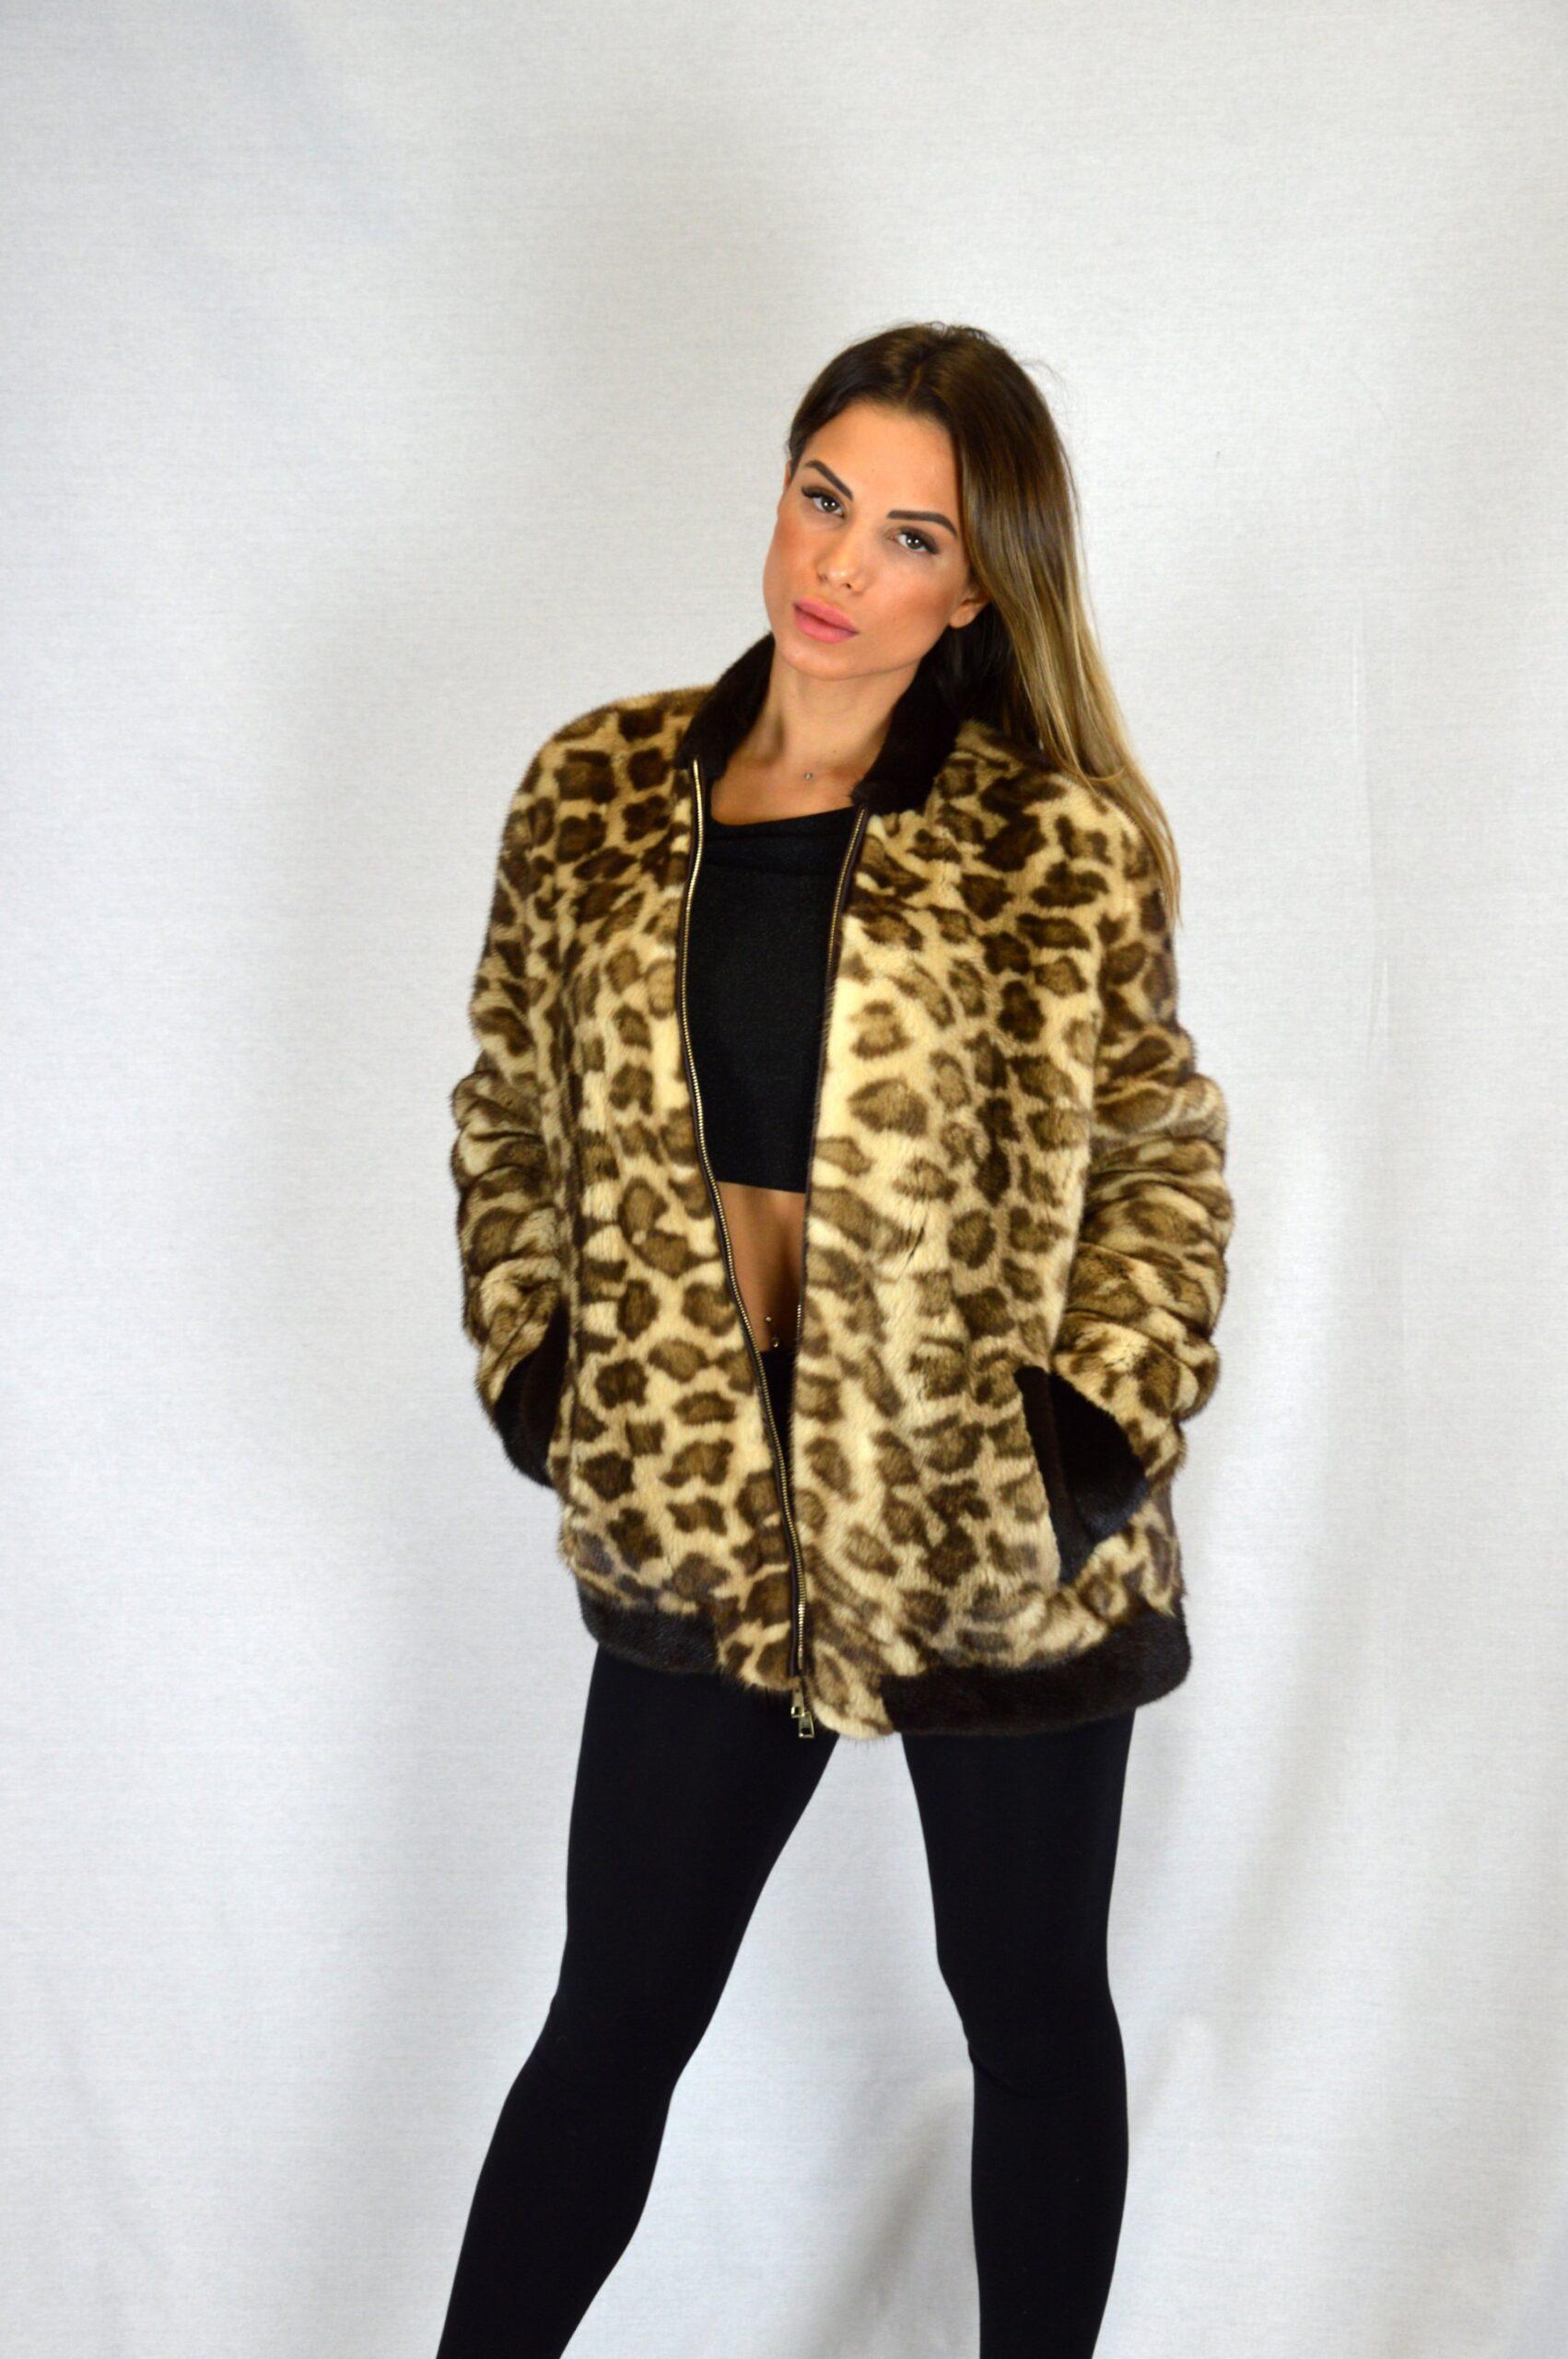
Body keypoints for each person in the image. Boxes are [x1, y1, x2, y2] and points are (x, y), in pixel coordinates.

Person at [436, 320, 1235, 2356]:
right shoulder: (594, 793)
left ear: (973, 588)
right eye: (822, 497)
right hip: (702, 1512)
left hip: (985, 1519)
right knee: (611, 2024)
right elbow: (507, 1111)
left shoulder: (1052, 843)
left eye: (908, 536)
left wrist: (1085, 1430)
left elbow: (1158, 1153)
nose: (838, 562)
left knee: (1030, 2018)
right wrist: (546, 1368)